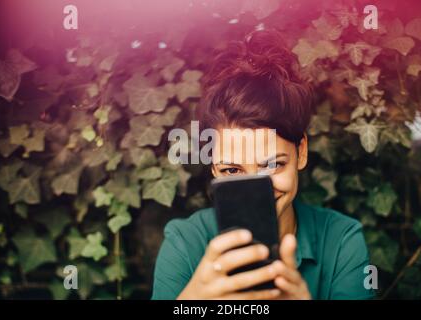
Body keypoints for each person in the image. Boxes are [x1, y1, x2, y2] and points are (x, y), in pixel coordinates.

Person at [151, 30, 375, 300]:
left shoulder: (342, 240)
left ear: (301, 152)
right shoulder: (184, 242)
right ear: (212, 164)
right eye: (232, 170)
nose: (259, 191)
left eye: (272, 165)